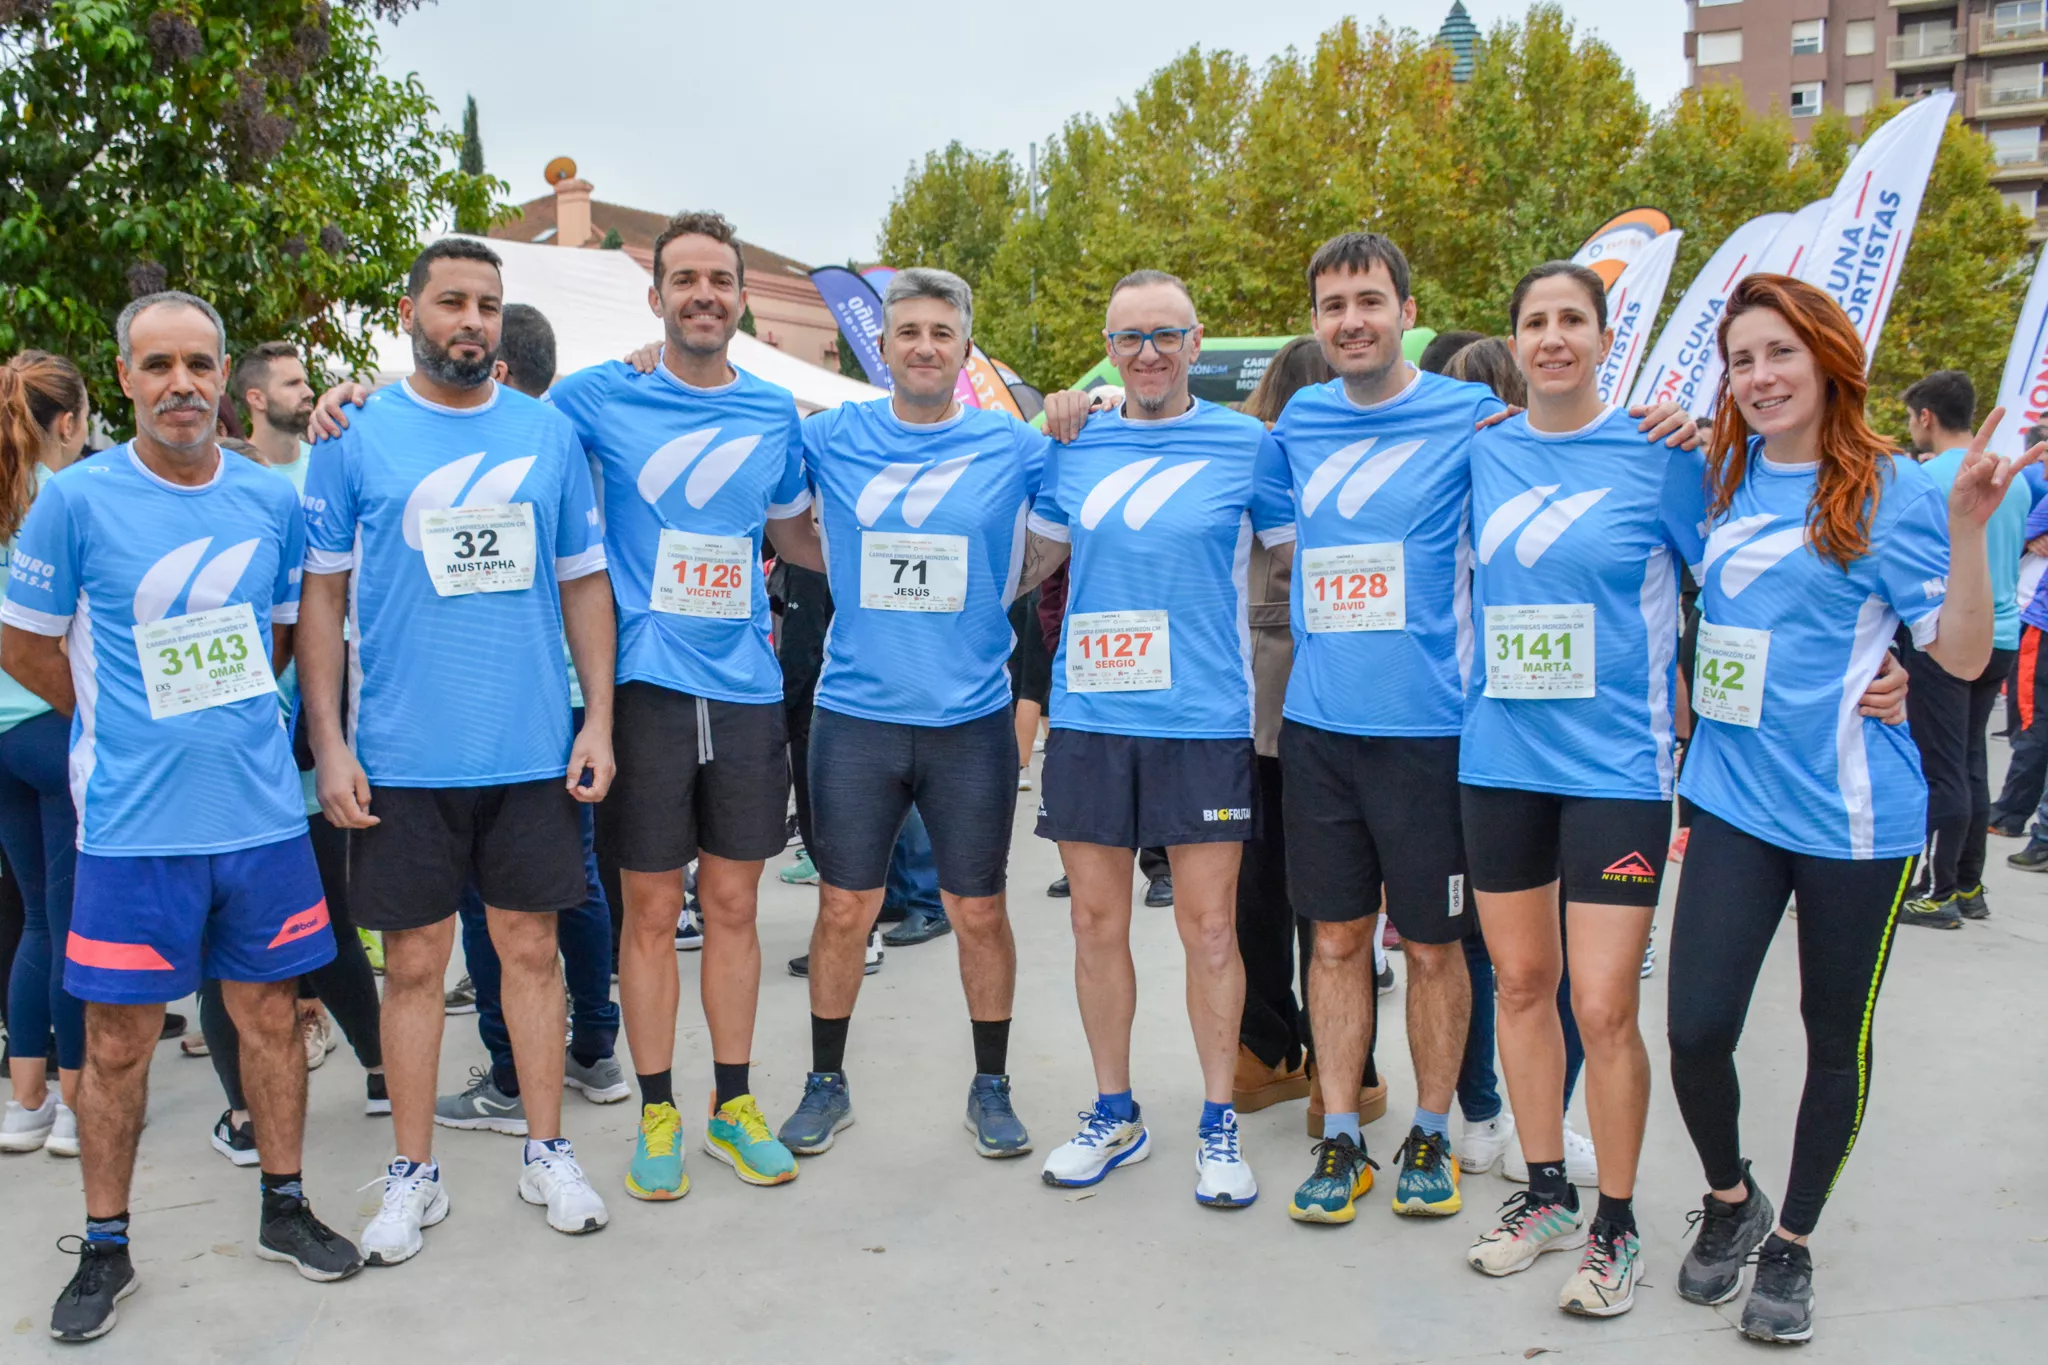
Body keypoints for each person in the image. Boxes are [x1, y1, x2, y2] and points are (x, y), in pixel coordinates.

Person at [1666, 273, 2030, 1344]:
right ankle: (1732, 1200)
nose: (1760, 375)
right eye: (1741, 359)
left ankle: (1794, 1244)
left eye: (1778, 352)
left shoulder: (1892, 490)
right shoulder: (1718, 474)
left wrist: (1967, 530)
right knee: (1693, 1028)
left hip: (1851, 817)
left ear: (1827, 359)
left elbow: (1960, 656)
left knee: (1832, 1035)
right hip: (1731, 799)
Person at [4, 292, 363, 1341]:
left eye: (199, 365)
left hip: (257, 820)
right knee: (117, 1048)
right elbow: (24, 646)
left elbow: (290, 638)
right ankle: (106, 1247)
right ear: (123, 380)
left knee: (270, 1022)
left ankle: (285, 1208)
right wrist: (118, 718)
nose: (181, 386)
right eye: (157, 365)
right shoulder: (75, 502)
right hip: (130, 830)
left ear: (223, 379)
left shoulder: (268, 501)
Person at [298, 239, 616, 1263]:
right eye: (450, 302)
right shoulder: (353, 436)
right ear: (409, 314)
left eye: (486, 303)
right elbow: (323, 595)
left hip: (526, 752)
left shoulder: (548, 433)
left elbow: (582, 583)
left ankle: (546, 1149)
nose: (470, 320)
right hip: (399, 759)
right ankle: (412, 1175)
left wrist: (597, 720)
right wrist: (331, 741)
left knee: (529, 952)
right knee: (416, 968)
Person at [546, 215, 821, 1198]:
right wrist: (346, 405)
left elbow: (799, 536)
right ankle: (657, 1108)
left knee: (738, 904)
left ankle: (732, 1106)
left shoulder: (777, 414)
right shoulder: (594, 397)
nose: (703, 294)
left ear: (741, 298)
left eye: (720, 280)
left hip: (746, 690)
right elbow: (491, 417)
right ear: (654, 296)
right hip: (646, 693)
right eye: (685, 279)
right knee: (653, 911)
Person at [1458, 261, 1707, 1316]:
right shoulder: (1477, 456)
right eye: (1533, 322)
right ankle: (1544, 1192)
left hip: (1614, 769)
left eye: (1572, 321)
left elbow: (1739, 579)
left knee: (1601, 1006)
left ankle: (1616, 1222)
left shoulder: (1660, 457)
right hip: (1499, 763)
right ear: (1512, 343)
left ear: (1607, 339)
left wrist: (1879, 670)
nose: (1551, 337)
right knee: (1519, 987)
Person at [774, 267, 1044, 1162]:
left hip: (969, 719)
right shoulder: (831, 434)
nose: (925, 345)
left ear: (966, 349)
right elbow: (783, 522)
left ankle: (991, 1084)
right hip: (856, 715)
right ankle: (826, 1081)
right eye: (908, 332)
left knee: (978, 910)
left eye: (942, 332)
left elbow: (1059, 531)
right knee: (846, 907)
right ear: (881, 347)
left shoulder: (1012, 445)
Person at [1026, 270, 1280, 1206]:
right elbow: (1032, 563)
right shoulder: (1073, 443)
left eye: (1165, 335)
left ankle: (1219, 1122)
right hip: (1092, 717)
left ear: (1196, 342)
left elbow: (1299, 559)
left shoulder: (1249, 444)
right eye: (1129, 337)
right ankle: (1115, 1111)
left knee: (1209, 926)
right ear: (1108, 345)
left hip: (1201, 721)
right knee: (1096, 921)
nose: (1147, 354)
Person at [427, 303, 627, 1139]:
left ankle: (513, 1072)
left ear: (499, 371)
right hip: (569, 694)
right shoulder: (575, 438)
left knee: (495, 900)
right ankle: (594, 1046)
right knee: (569, 884)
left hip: (522, 701)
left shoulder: (530, 445)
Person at [1228, 337, 1329, 1121]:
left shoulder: (1243, 453)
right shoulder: (1291, 460)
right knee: (1329, 895)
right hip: (1329, 702)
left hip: (1258, 703)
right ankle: (1339, 1061)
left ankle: (1268, 1044)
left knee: (1257, 888)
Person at [1894, 370, 2026, 926]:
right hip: (2001, 634)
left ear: (1926, 417)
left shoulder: (1929, 477)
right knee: (1970, 760)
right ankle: (1970, 885)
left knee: (1940, 766)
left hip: (1947, 638)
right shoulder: (2008, 475)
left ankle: (1939, 890)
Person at [0, 351, 90, 1157]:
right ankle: (72, 1107)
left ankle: (24, 1099)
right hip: (50, 726)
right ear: (67, 421)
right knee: (72, 925)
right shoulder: (60, 497)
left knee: (34, 918)